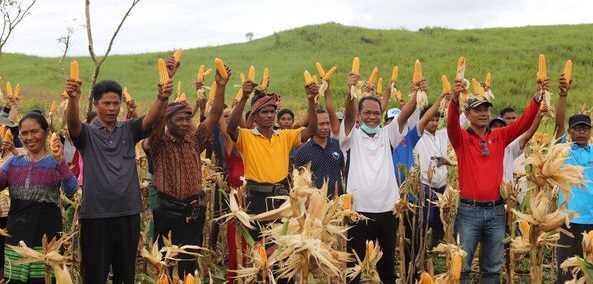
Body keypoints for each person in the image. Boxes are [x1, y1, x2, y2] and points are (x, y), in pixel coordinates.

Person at [64, 56, 177, 284]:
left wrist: (162, 96)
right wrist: (73, 99)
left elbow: (152, 119)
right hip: (96, 215)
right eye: (106, 103)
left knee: (126, 275)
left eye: (116, 103)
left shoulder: (129, 130)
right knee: (95, 276)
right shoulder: (87, 134)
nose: (112, 108)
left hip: (128, 214)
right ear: (96, 105)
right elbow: (73, 125)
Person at [448, 78, 540, 283]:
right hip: (468, 211)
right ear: (467, 114)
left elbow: (523, 124)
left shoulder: (500, 136)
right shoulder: (461, 139)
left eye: (486, 109)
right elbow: (451, 124)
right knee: (461, 268)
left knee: (492, 269)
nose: (483, 113)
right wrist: (455, 99)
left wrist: (537, 99)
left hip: (496, 211)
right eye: (478, 109)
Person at [341, 72, 416, 283]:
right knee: (355, 269)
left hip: (387, 211)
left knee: (386, 268)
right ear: (359, 114)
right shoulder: (351, 136)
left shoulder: (387, 133)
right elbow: (347, 116)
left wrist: (417, 92)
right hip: (358, 212)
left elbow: (403, 115)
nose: (372, 117)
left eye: (376, 113)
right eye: (367, 113)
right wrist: (351, 91)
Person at [226, 80, 318, 240]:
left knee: (280, 247)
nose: (269, 115)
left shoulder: (284, 136)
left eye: (272, 111)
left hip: (282, 200)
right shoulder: (247, 137)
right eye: (264, 112)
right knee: (259, 247)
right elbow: (231, 128)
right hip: (256, 200)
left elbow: (312, 130)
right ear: (254, 116)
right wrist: (243, 98)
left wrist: (311, 100)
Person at [1, 112, 77, 283]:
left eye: (34, 132)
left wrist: (61, 162)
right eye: (25, 133)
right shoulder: (13, 163)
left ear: (46, 133)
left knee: (44, 279)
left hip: (46, 236)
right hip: (16, 233)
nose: (29, 137)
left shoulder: (54, 162)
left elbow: (71, 189)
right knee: (14, 279)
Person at [551, 74, 592, 284]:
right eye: (578, 128)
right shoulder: (563, 150)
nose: (582, 132)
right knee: (567, 271)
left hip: (592, 221)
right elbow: (557, 124)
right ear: (570, 131)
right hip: (569, 221)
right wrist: (563, 95)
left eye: (586, 128)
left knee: (589, 272)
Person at [294, 108, 345, 198]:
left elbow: (343, 171)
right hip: (314, 206)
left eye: (327, 123)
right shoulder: (302, 152)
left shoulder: (338, 146)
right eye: (321, 124)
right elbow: (298, 182)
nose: (325, 127)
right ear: (312, 125)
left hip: (337, 203)